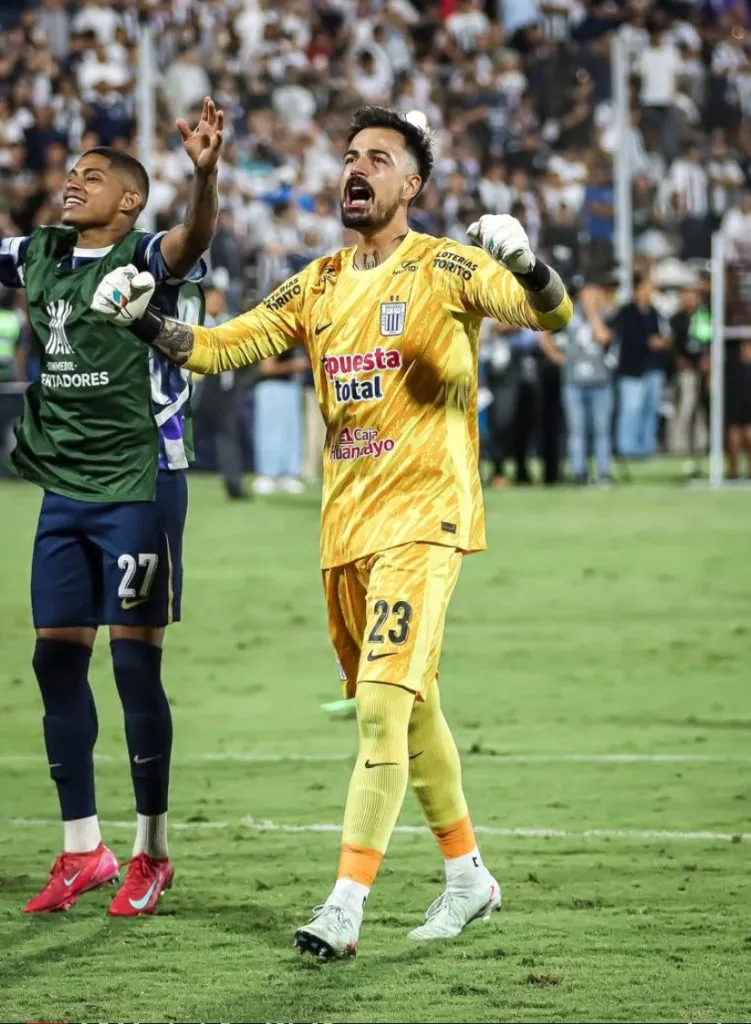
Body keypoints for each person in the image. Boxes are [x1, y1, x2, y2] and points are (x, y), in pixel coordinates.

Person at [92, 106, 572, 957]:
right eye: (349, 156)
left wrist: (529, 264)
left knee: (382, 710)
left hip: (424, 521)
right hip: (345, 533)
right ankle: (468, 879)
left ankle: (344, 903)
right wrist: (142, 321)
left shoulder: (448, 267)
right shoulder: (315, 284)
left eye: (377, 158)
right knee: (410, 711)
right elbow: (220, 347)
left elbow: (550, 316)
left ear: (409, 185)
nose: (355, 168)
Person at [1, 97, 223, 916]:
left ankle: (150, 851)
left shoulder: (147, 253)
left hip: (141, 483)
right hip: (64, 487)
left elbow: (194, 238)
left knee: (134, 665)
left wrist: (203, 173)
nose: (72, 184)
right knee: (55, 660)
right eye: (70, 174)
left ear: (129, 198)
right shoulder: (39, 253)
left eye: (91, 178)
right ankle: (81, 850)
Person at [542, 274, 618, 485]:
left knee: (601, 430)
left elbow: (603, 337)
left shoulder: (606, 312)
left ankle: (603, 473)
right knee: (577, 430)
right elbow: (544, 334)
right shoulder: (566, 313)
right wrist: (558, 357)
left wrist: (593, 311)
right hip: (574, 381)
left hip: (600, 380)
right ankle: (579, 472)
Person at [192, 284, 249, 501]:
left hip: (226, 390)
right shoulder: (196, 322)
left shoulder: (231, 323)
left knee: (228, 437)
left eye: (220, 298)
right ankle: (161, 478)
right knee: (183, 435)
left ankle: (233, 485)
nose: (217, 302)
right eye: (213, 298)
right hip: (200, 389)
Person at [615, 272, 671, 461]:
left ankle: (645, 447)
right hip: (633, 370)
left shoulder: (654, 312)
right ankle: (627, 448)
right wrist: (648, 342)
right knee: (631, 409)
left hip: (653, 368)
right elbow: (626, 339)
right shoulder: (627, 312)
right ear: (638, 289)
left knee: (651, 409)